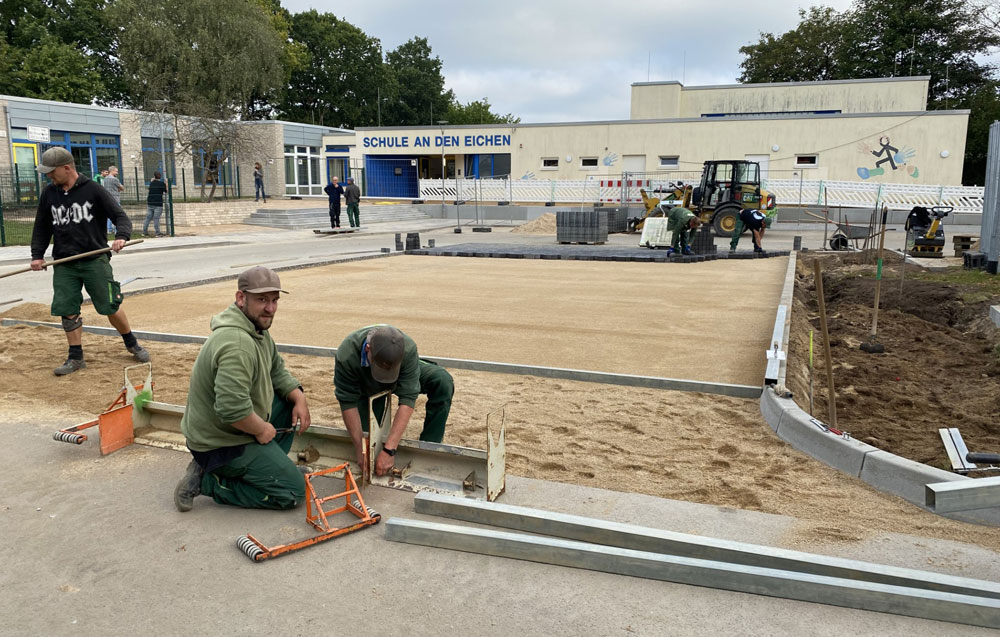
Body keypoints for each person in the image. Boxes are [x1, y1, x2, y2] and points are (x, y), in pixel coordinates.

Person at [173, 266, 312, 512]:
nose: (270, 308)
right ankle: (208, 480)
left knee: (287, 400)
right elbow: (232, 409)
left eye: (274, 300)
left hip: (230, 428)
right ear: (241, 298)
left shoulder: (256, 329)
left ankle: (273, 469)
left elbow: (276, 370)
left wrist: (299, 397)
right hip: (219, 443)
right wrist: (261, 429)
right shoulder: (237, 344)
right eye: (262, 300)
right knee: (293, 493)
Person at [29, 147, 151, 375]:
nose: (49, 176)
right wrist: (37, 255)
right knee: (67, 308)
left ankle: (131, 343)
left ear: (67, 168)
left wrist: (121, 237)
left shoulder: (93, 189)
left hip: (94, 259)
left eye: (52, 171)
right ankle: (75, 357)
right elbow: (42, 227)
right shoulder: (49, 193)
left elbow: (120, 216)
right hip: (64, 262)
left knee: (109, 305)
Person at [334, 325, 454, 477]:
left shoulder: (408, 348)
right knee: (369, 442)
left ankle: (431, 444)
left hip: (401, 372)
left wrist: (390, 450)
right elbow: (347, 402)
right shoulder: (347, 354)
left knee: (442, 381)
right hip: (366, 381)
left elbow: (408, 398)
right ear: (368, 349)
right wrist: (360, 448)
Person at [143, 171, 168, 236]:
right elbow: (166, 191)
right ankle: (157, 233)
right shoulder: (162, 184)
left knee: (148, 218)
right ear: (160, 177)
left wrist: (152, 181)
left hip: (150, 203)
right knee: (156, 219)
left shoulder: (151, 183)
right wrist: (166, 183)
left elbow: (150, 188)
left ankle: (144, 232)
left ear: (154, 176)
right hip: (158, 203)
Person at [102, 165, 124, 234]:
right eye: (116, 171)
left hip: (107, 198)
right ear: (112, 171)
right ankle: (116, 229)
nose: (117, 173)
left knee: (109, 214)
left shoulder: (105, 179)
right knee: (117, 214)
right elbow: (121, 188)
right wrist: (119, 189)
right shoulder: (115, 179)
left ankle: (109, 229)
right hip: (115, 199)